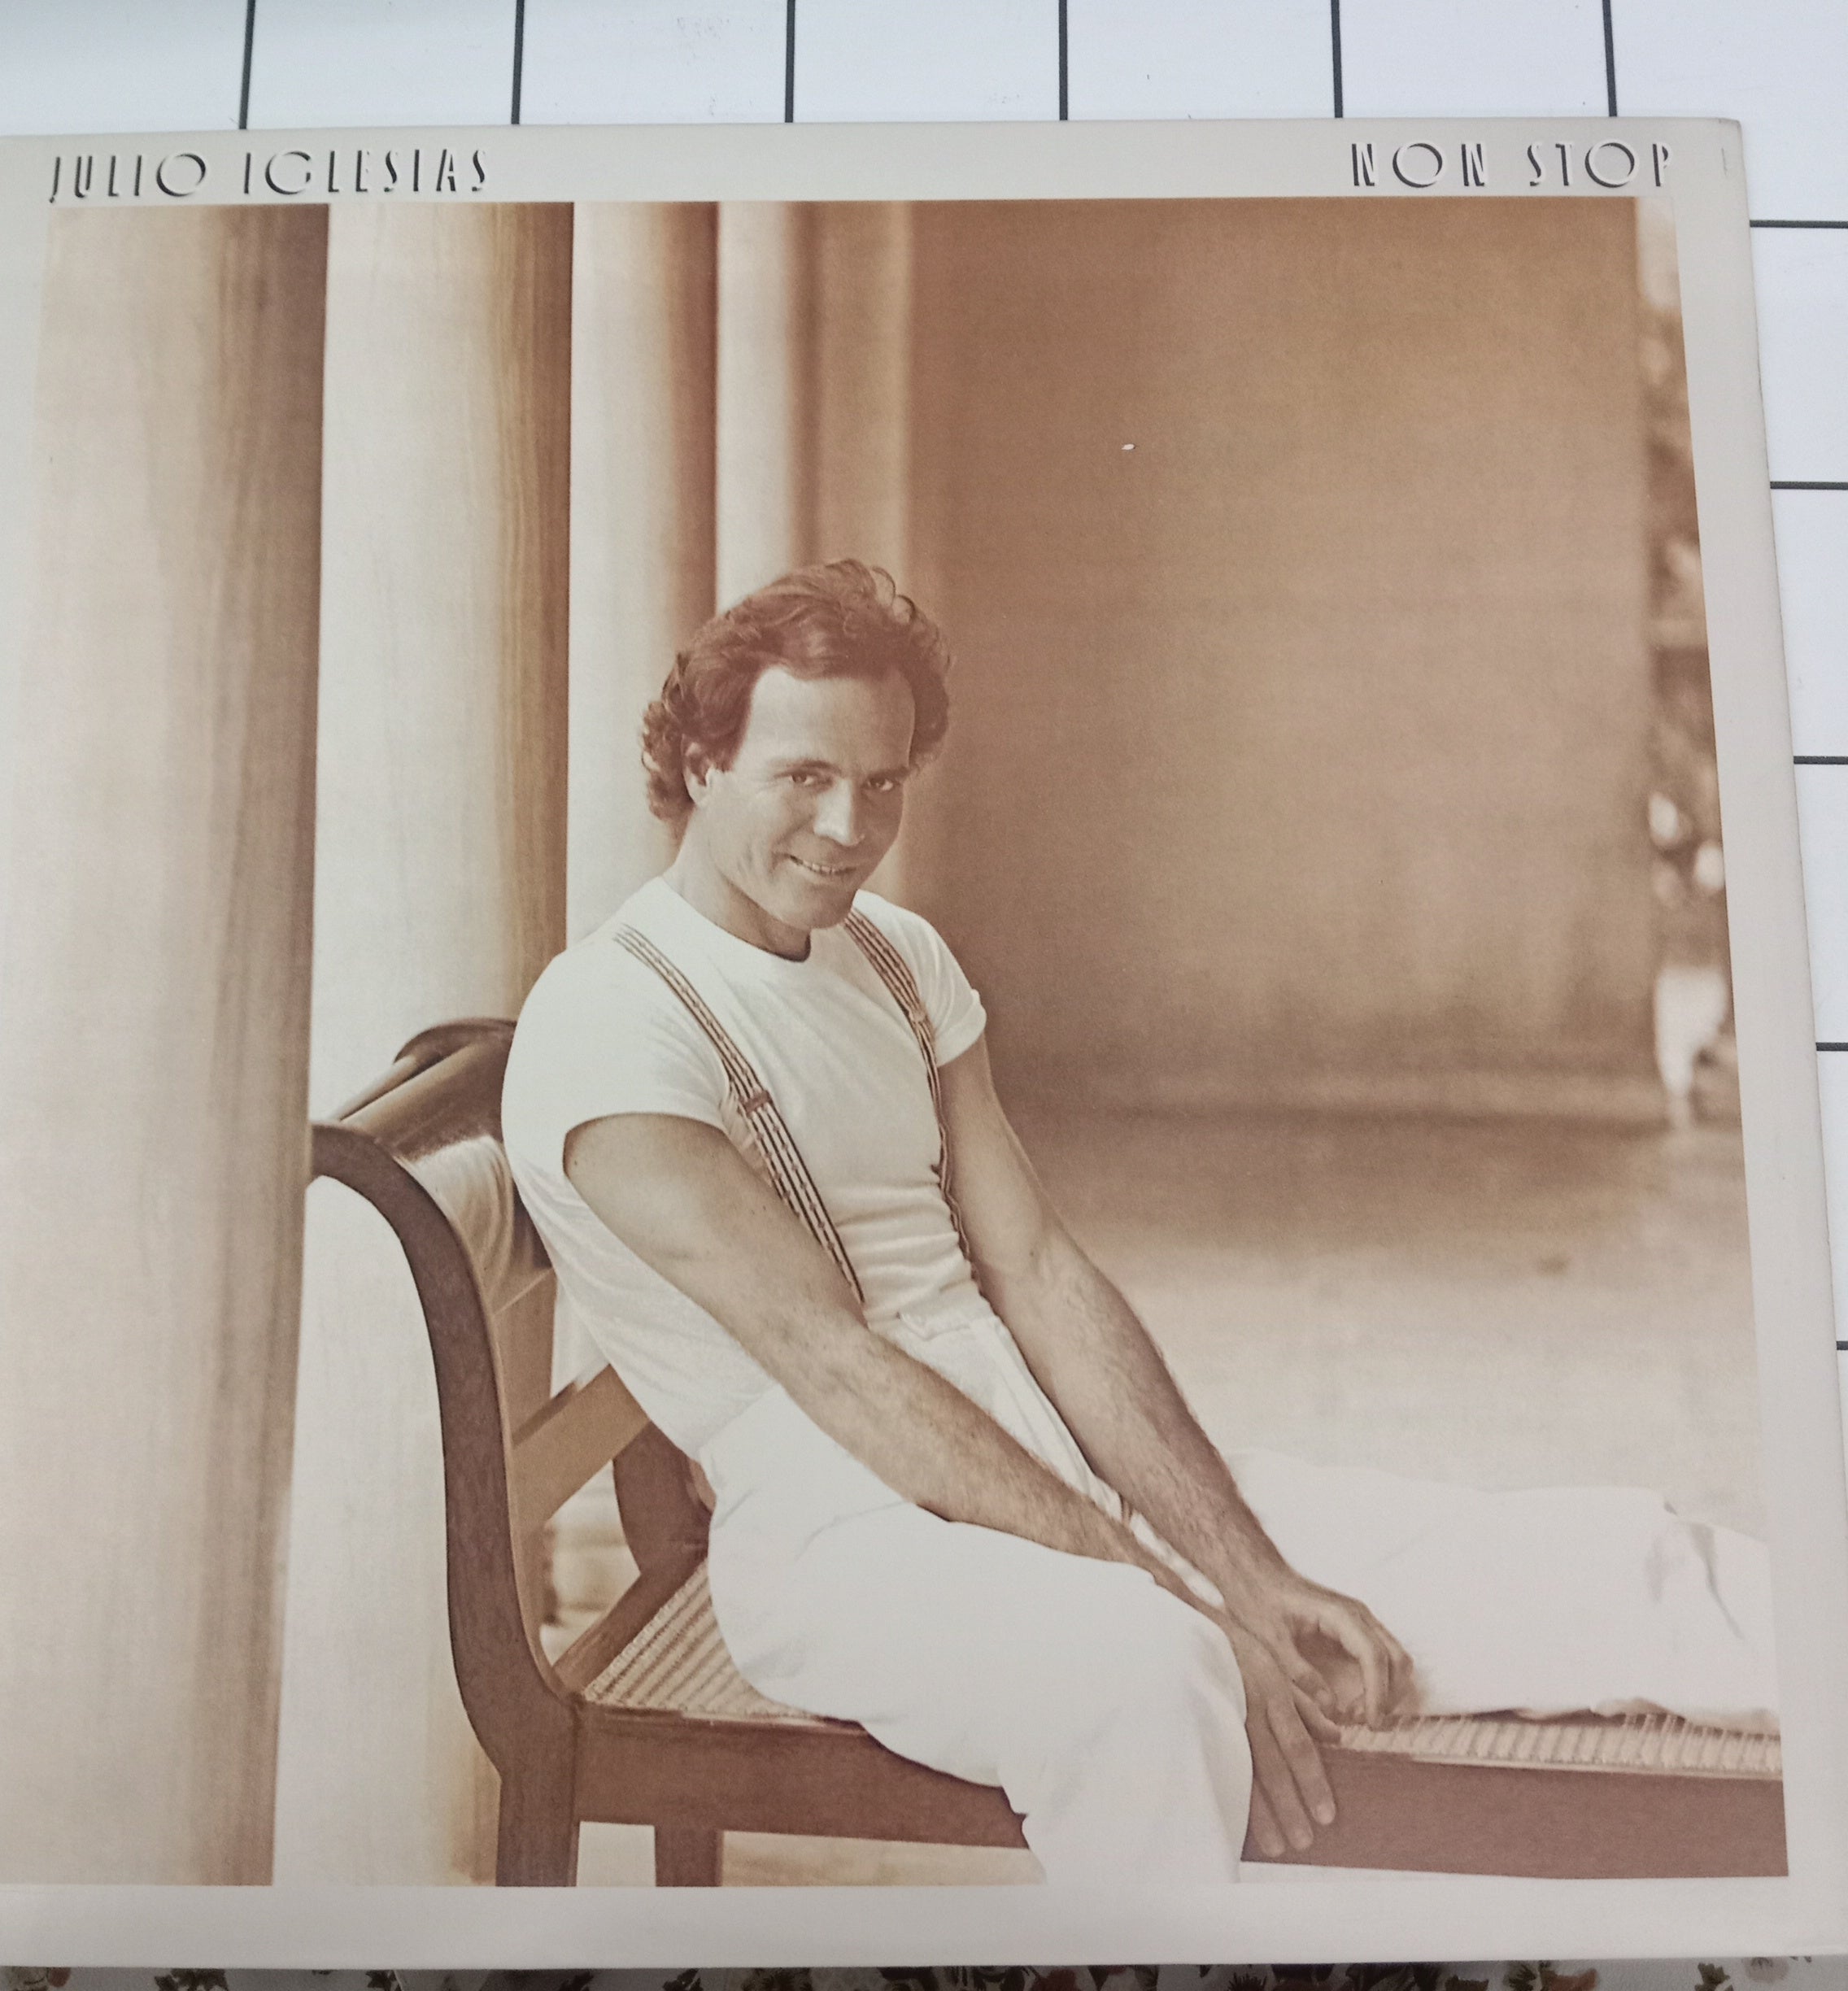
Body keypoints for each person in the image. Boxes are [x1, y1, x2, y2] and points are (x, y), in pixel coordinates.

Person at [502, 560, 1776, 1886]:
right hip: (847, 1539)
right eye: (803, 777)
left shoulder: (893, 955)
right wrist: (1180, 1599)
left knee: (1609, 1561)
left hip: (1053, 1467)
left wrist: (1245, 1570)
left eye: (882, 781)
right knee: (1153, 1678)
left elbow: (1039, 1271)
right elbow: (841, 1367)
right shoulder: (616, 1024)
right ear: (702, 764)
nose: (849, 825)